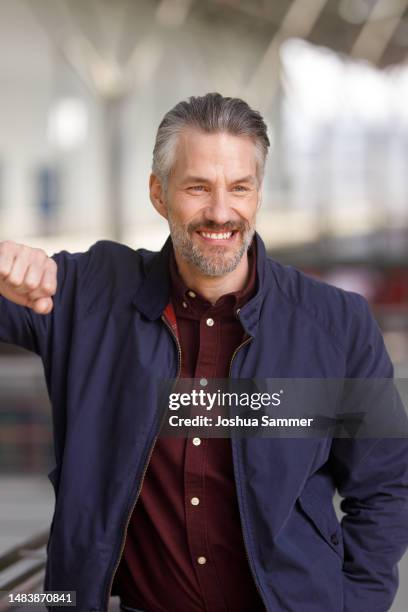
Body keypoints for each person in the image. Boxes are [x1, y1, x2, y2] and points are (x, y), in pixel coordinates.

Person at [0, 93, 407, 612]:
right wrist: (6, 262)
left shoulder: (337, 325)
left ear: (258, 194)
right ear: (158, 193)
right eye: (197, 187)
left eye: (239, 187)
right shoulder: (86, 294)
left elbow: (386, 488)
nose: (221, 211)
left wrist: (356, 606)